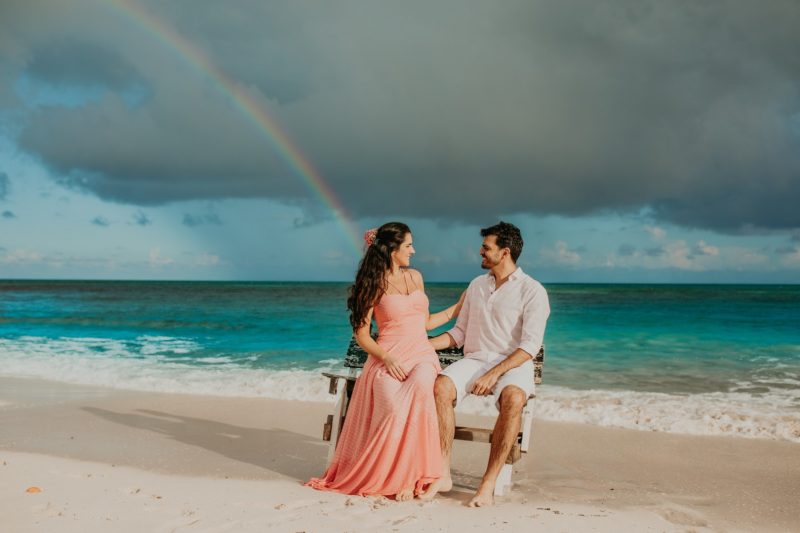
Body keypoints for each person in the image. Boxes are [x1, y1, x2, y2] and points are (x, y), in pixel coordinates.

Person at [307, 222, 465, 501]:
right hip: (388, 358)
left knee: (419, 390)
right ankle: (394, 476)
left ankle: (412, 476)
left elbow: (425, 323)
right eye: (408, 246)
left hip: (421, 356)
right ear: (392, 250)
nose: (413, 251)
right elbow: (362, 335)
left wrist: (457, 308)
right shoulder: (372, 284)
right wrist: (386, 357)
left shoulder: (416, 277)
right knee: (393, 408)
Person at [420, 221, 550, 507]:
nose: (480, 252)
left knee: (514, 398)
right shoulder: (477, 285)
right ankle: (443, 472)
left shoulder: (533, 291)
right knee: (441, 385)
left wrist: (494, 374)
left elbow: (529, 346)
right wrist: (422, 345)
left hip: (512, 365)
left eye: (486, 247)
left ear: (505, 252)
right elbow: (459, 334)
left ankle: (488, 483)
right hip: (476, 359)